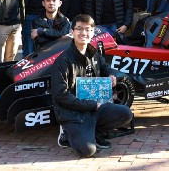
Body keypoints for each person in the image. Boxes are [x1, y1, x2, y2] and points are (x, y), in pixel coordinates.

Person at [51, 15, 134, 157]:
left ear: (93, 32)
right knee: (88, 150)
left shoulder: (94, 53)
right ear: (72, 32)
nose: (84, 33)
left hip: (95, 108)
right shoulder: (63, 60)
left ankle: (94, 131)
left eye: (88, 29)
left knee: (126, 114)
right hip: (73, 112)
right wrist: (91, 105)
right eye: (79, 29)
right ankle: (67, 132)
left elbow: (105, 67)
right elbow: (60, 95)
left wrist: (111, 75)